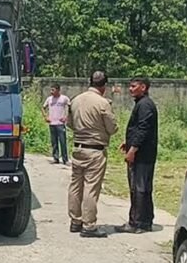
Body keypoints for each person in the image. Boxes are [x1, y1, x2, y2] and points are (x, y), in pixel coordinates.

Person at [67, 71, 118, 238]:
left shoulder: (75, 100)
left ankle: (75, 221)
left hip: (78, 148)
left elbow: (69, 123)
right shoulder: (103, 103)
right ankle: (89, 225)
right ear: (104, 86)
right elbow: (112, 128)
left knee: (76, 185)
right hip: (95, 149)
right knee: (91, 187)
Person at [118, 77, 159, 234]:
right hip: (144, 153)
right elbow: (139, 129)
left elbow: (143, 129)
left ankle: (136, 223)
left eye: (134, 86)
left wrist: (132, 150)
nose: (130, 89)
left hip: (142, 156)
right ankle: (146, 221)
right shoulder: (142, 104)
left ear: (143, 87)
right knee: (144, 188)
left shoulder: (145, 105)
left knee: (138, 188)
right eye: (130, 86)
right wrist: (128, 142)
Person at [42, 83, 71, 164]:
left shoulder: (64, 98)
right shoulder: (49, 99)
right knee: (54, 142)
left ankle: (65, 159)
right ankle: (55, 158)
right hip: (52, 123)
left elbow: (69, 107)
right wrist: (46, 117)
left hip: (60, 123)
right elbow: (43, 108)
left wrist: (66, 117)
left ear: (58, 90)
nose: (51, 92)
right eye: (51, 90)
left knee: (63, 142)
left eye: (53, 90)